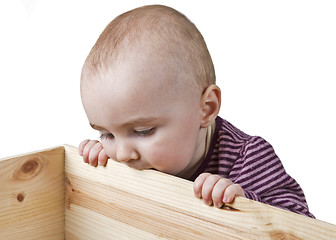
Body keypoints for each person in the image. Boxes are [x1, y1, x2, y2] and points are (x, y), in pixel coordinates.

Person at [78, 4, 314, 218]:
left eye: (142, 131)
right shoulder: (123, 155)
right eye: (106, 134)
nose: (121, 155)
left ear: (206, 109)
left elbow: (302, 223)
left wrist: (246, 204)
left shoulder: (248, 158)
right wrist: (98, 164)